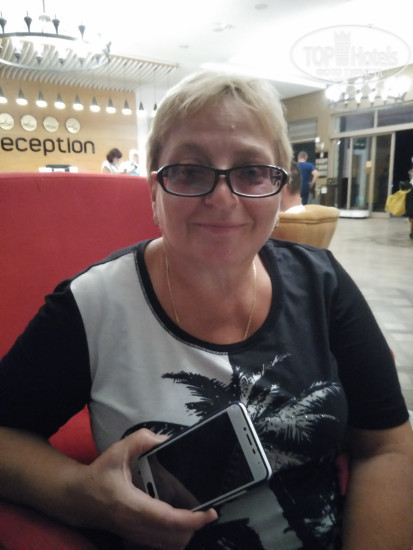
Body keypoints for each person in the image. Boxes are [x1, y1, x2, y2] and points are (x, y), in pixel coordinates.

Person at [1, 70, 413, 550]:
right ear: (154, 190)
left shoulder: (322, 283)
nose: (222, 198)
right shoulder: (92, 304)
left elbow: (386, 446)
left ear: (280, 189)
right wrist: (82, 497)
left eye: (251, 171)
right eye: (190, 171)